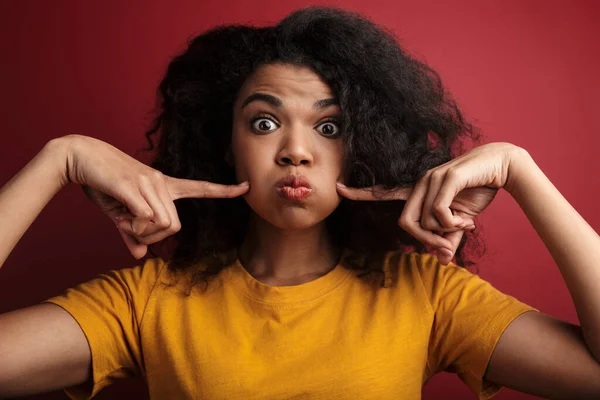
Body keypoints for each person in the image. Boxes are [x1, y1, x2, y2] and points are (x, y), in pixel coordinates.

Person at [1, 5, 599, 400]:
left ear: (365, 147)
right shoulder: (147, 300)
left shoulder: (428, 294)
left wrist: (521, 171)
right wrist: (61, 158)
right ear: (223, 145)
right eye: (263, 123)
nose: (295, 151)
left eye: (330, 129)